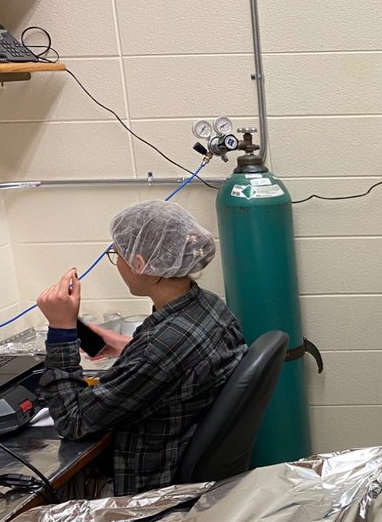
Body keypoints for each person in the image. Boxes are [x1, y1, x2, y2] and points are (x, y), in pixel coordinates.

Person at [34, 201, 246, 498]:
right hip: (193, 473)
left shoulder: (159, 348)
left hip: (146, 491)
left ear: (139, 264)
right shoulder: (208, 306)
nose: (116, 261)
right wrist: (126, 346)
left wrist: (61, 331)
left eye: (116, 253)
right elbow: (174, 357)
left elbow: (73, 420)